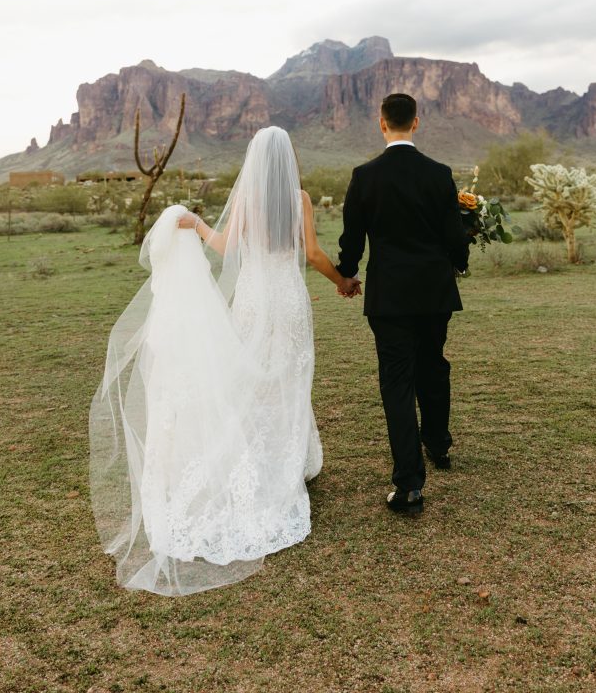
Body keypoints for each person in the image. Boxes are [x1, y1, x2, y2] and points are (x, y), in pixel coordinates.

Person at [89, 126, 355, 596]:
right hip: (289, 298)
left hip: (253, 299)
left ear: (255, 161)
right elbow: (311, 253)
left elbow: (226, 247)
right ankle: (289, 463)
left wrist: (196, 224)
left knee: (251, 381)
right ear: (288, 159)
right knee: (292, 378)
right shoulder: (301, 198)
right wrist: (341, 280)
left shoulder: (249, 199)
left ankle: (264, 457)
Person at [336, 93, 470, 514]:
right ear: (416, 122)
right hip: (433, 292)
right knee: (433, 363)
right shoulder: (439, 173)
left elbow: (352, 235)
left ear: (381, 124)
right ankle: (439, 444)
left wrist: (347, 272)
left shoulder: (365, 175)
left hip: (389, 296)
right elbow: (453, 234)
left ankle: (409, 485)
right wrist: (460, 261)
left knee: (397, 382)